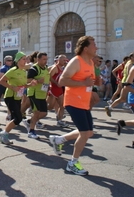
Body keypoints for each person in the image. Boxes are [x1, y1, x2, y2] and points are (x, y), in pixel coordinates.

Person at [49, 36, 97, 176]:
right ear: (85, 48)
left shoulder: (90, 63)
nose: (96, 47)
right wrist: (84, 84)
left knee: (88, 132)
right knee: (84, 133)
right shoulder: (76, 61)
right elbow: (62, 80)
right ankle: (72, 163)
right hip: (73, 102)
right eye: (94, 45)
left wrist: (94, 83)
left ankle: (58, 140)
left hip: (83, 102)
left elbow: (88, 81)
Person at [0, 52, 37, 145]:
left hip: (18, 97)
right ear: (18, 60)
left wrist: (30, 85)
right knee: (18, 118)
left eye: (25, 59)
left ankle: (4, 134)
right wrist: (12, 87)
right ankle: (4, 134)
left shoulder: (23, 72)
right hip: (10, 96)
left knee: (17, 117)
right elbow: (1, 81)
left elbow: (23, 86)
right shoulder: (13, 70)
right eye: (23, 59)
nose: (26, 61)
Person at [23, 52, 50, 139]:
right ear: (38, 59)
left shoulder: (45, 68)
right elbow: (27, 80)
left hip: (42, 94)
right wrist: (37, 80)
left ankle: (29, 121)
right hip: (34, 93)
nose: (45, 61)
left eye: (46, 59)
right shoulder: (34, 68)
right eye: (44, 59)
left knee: (44, 113)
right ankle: (31, 131)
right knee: (36, 112)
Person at [47, 55, 68, 127]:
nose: (65, 62)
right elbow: (49, 77)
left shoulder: (62, 68)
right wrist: (56, 83)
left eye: (65, 60)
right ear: (59, 60)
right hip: (53, 89)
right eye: (63, 60)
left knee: (62, 106)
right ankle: (37, 116)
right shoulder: (55, 68)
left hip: (59, 89)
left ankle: (59, 121)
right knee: (50, 107)